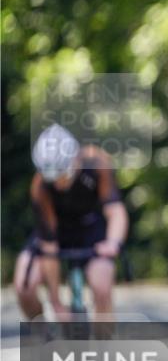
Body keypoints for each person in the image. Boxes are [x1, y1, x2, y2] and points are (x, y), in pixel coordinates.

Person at [14, 124, 128, 322]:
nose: (59, 183)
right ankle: (41, 334)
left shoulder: (97, 162)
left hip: (90, 229)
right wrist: (55, 301)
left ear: (76, 159)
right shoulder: (40, 185)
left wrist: (113, 243)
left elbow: (115, 210)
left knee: (102, 285)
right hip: (55, 231)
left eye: (63, 174)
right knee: (24, 286)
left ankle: (104, 344)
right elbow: (49, 242)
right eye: (52, 178)